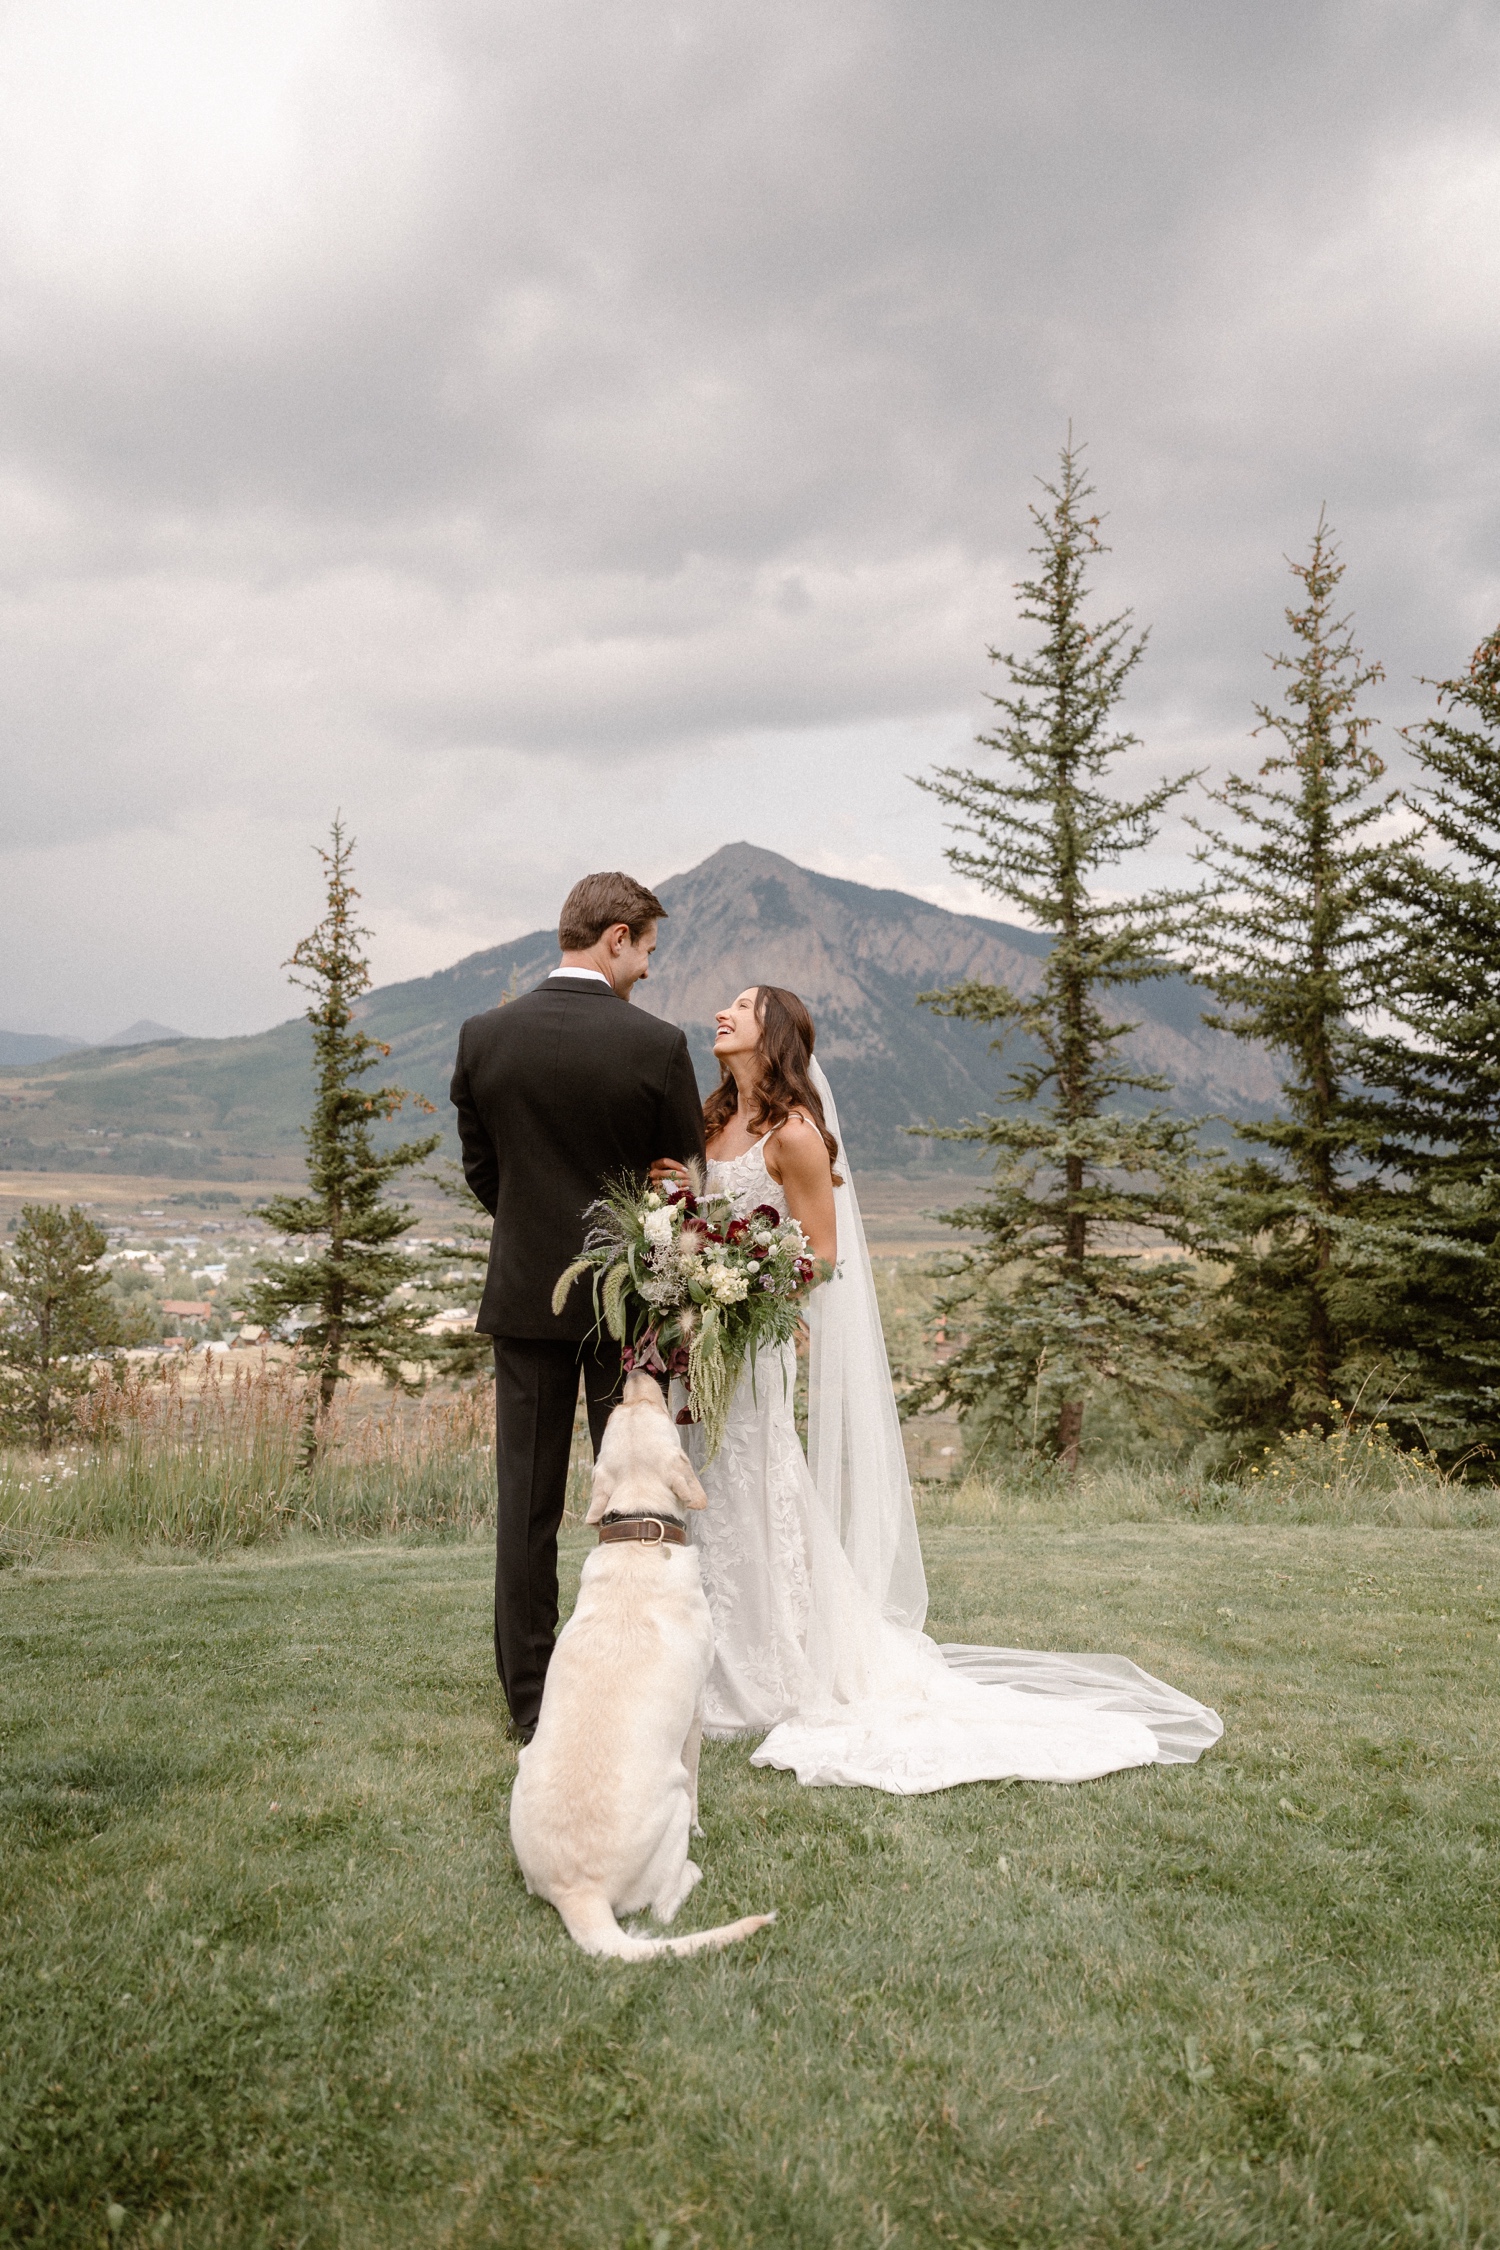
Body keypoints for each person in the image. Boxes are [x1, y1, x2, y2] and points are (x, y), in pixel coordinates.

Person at [654, 984, 1221, 1794]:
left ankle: (764, 1672)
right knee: (709, 1485)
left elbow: (822, 1251)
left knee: (752, 1488)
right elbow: (706, 1214)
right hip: (702, 1344)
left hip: (752, 1342)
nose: (724, 1012)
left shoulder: (796, 1136)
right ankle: (699, 1659)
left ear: (772, 1033)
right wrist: (681, 1206)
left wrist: (742, 1286)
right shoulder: (711, 1124)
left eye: (743, 1007)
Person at [451, 872, 706, 1742]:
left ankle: (530, 1705)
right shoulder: (658, 1045)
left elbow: (486, 1173)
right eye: (646, 953)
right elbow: (679, 1182)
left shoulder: (485, 1037)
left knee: (524, 1504)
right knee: (636, 1502)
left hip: (524, 1301)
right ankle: (630, 1674)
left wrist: (533, 1237)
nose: (646, 971)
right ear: (616, 938)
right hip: (623, 1311)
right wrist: (618, 1252)